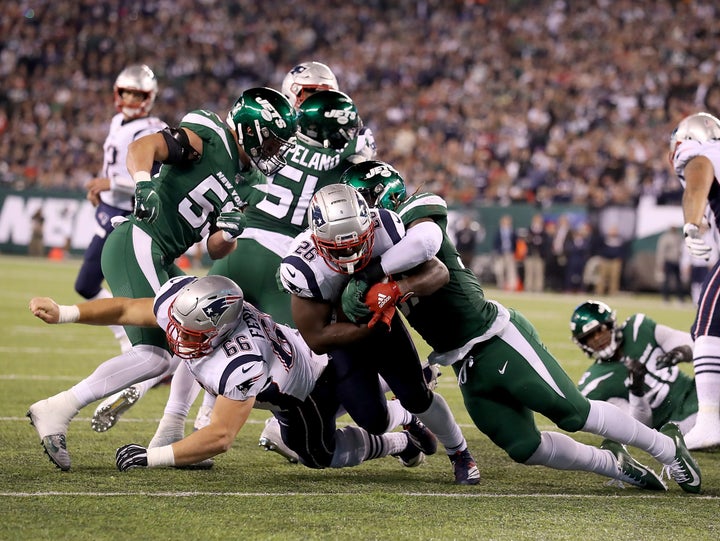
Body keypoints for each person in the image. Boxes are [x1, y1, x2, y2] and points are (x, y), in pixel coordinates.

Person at [340, 160, 702, 493]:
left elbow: (424, 245)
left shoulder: (416, 211)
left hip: (494, 337)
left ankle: (667, 448)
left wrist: (379, 278)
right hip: (461, 360)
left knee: (574, 413)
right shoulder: (370, 251)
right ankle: (613, 464)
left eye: (360, 208)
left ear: (379, 199)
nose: (357, 221)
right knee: (523, 447)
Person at [26, 87, 299, 471]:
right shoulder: (209, 135)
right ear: (252, 128)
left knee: (200, 328)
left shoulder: (249, 181)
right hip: (138, 239)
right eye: (272, 139)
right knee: (158, 354)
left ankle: (166, 433)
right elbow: (142, 148)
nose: (274, 150)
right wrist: (143, 184)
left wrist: (229, 232)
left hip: (162, 254)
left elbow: (214, 250)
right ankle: (58, 409)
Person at [28, 275, 434, 472]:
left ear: (220, 331)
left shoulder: (242, 362)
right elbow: (123, 309)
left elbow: (221, 437)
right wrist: (63, 313)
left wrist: (154, 458)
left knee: (317, 454)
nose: (178, 338)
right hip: (300, 356)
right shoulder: (186, 302)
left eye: (191, 333)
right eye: (179, 327)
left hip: (306, 390)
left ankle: (399, 438)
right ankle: (401, 411)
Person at [278, 183, 480, 485]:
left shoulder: (386, 227)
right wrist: (369, 324)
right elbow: (316, 337)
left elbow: (439, 272)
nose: (350, 255)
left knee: (417, 396)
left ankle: (460, 452)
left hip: (382, 326)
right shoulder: (304, 267)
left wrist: (396, 289)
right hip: (344, 338)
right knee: (373, 420)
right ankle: (407, 420)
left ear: (369, 226)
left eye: (357, 243)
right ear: (318, 240)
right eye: (339, 248)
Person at [74, 65, 167, 354]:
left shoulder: (153, 129)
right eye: (125, 92)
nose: (129, 99)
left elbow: (153, 180)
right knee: (91, 284)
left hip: (131, 214)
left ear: (148, 97)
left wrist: (110, 183)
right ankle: (132, 342)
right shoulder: (118, 121)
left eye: (136, 94)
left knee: (96, 284)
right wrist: (102, 190)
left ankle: (142, 347)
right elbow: (112, 168)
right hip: (111, 208)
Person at [668, 111, 720, 450]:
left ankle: (710, 421)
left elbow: (699, 174)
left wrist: (690, 222)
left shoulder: (700, 154)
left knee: (707, 328)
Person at [570, 300, 697, 433]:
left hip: (695, 391)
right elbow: (639, 428)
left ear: (610, 324)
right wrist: (636, 391)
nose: (597, 338)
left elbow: (695, 345)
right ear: (582, 343)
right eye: (589, 336)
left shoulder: (638, 328)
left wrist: (680, 353)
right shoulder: (596, 384)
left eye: (600, 330)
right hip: (673, 422)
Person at [655, 225, 687, 304]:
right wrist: (660, 263)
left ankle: (680, 298)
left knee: (678, 281)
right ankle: (666, 298)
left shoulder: (679, 237)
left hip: (677, 261)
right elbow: (661, 251)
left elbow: (682, 250)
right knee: (667, 281)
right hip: (668, 261)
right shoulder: (665, 237)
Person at [492, 214, 518, 291]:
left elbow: (515, 242)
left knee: (511, 270)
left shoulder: (512, 231)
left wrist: (514, 251)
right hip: (500, 253)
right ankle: (501, 285)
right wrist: (497, 251)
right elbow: (495, 242)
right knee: (499, 270)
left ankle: (511, 286)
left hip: (509, 253)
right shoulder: (499, 231)